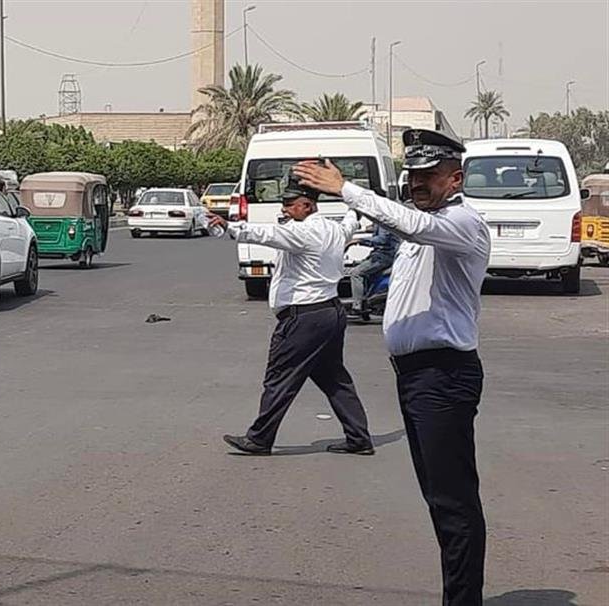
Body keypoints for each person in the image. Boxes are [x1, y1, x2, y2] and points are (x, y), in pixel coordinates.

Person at [293, 129, 491, 605]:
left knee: (453, 502)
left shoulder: (462, 223)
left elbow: (410, 224)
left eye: (429, 175)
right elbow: (406, 227)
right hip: (418, 376)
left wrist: (345, 189)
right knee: (439, 499)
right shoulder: (425, 223)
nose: (417, 182)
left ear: (455, 179)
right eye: (413, 175)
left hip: (444, 375)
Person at [208, 172, 373, 456]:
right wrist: (351, 202)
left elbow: (269, 234)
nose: (284, 209)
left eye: (290, 204)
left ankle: (259, 439)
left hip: (304, 318)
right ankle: (359, 438)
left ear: (307, 205)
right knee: (334, 379)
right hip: (330, 312)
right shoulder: (334, 229)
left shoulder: (303, 232)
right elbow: (350, 221)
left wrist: (231, 226)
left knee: (280, 377)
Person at [349, 221, 399, 316]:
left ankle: (357, 306)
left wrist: (359, 240)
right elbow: (374, 229)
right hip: (380, 254)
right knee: (359, 267)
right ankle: (364, 302)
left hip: (384, 256)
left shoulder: (383, 222)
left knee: (355, 273)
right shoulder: (380, 221)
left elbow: (382, 239)